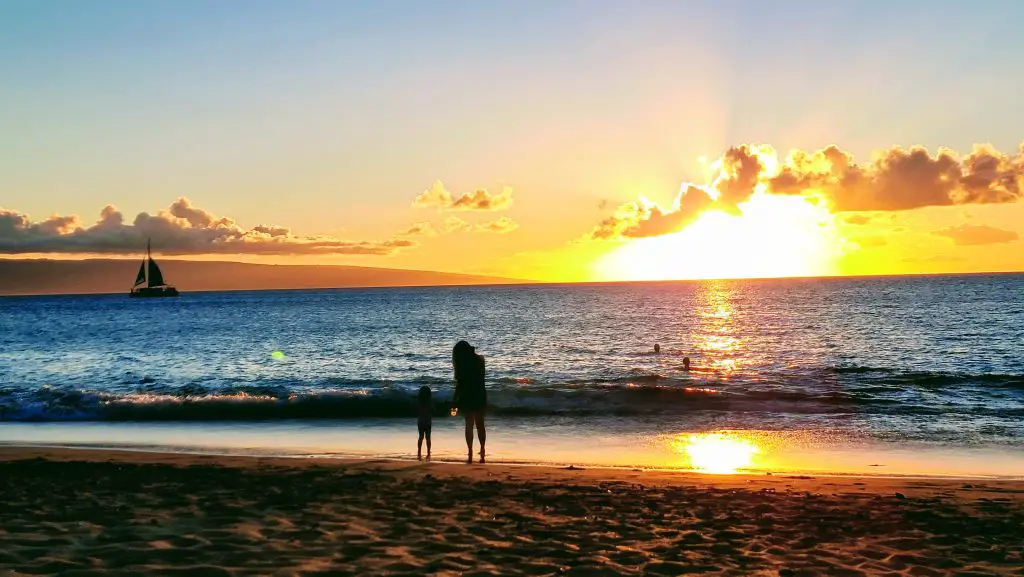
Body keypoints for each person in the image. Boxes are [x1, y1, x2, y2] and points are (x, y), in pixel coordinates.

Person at [452, 340, 487, 463]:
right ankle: (482, 449)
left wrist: (454, 401)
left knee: (469, 425)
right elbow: (481, 379)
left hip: (467, 396)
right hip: (480, 394)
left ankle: (470, 451)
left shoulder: (463, 365)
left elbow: (460, 384)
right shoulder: (480, 360)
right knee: (480, 424)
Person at [417, 386, 432, 460]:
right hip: (428, 421)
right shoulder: (430, 402)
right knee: (428, 438)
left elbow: (417, 411)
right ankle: (428, 453)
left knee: (421, 437)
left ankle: (419, 452)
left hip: (420, 421)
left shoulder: (419, 402)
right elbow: (434, 410)